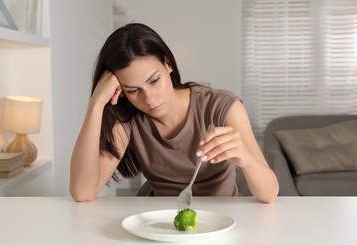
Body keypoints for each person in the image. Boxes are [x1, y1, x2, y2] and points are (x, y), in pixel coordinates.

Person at [70, 23, 279, 203]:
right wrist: (96, 104)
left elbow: (269, 194)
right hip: (162, 224)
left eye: (154, 81)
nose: (149, 99)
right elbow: (82, 192)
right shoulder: (128, 120)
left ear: (168, 64)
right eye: (133, 91)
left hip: (223, 222)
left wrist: (245, 158)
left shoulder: (222, 106)